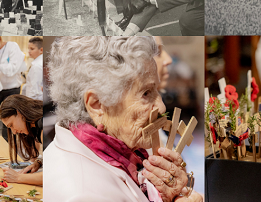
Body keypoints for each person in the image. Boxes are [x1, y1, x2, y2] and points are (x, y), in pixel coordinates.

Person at [45, 37, 202, 201]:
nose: (162, 107)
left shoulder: (125, 145)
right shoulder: (83, 195)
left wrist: (175, 194)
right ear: (97, 105)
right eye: (146, 93)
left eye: (156, 89)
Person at [0, 95, 44, 186]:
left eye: (11, 125)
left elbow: (52, 175)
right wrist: (39, 162)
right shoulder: (36, 126)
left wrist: (17, 177)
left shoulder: (42, 126)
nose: (14, 132)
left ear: (19, 113)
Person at [0, 36, 28, 110]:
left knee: (9, 116)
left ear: (0, 39)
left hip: (11, 89)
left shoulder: (12, 47)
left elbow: (13, 68)